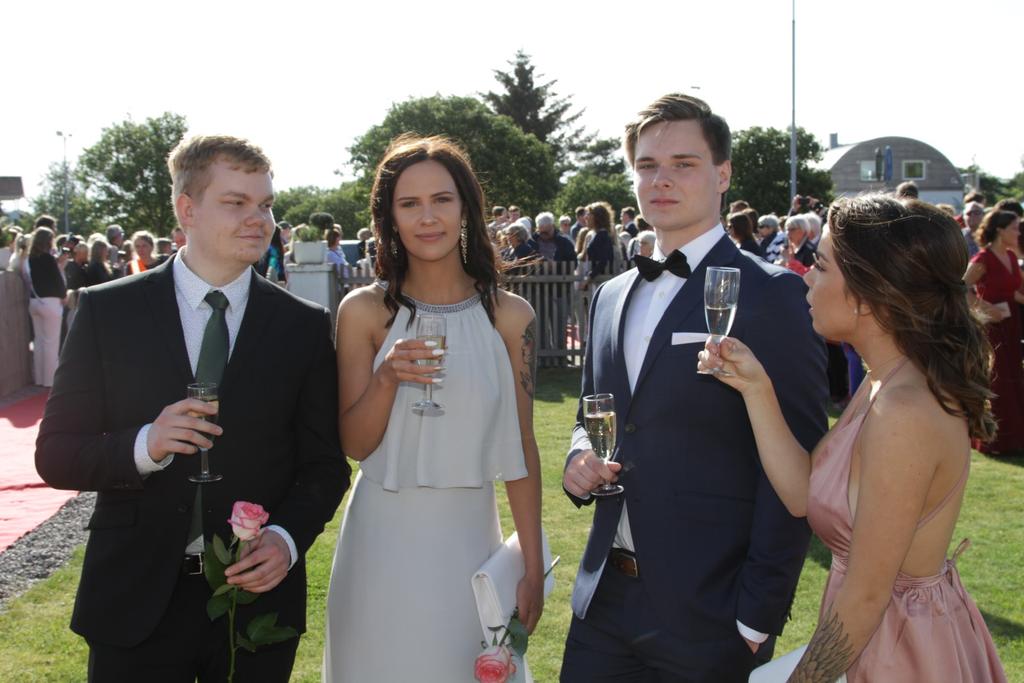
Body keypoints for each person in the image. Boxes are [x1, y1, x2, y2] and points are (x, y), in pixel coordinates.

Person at [34, 135, 349, 682]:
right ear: (187, 209)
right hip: (133, 601)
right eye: (236, 203)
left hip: (255, 605)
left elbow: (323, 466)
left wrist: (287, 539)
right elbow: (55, 455)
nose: (259, 219)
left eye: (266, 204)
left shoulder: (303, 325)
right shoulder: (110, 312)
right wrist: (144, 445)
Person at [560, 93, 827, 682]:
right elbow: (592, 410)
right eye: (648, 166)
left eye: (684, 163)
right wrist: (579, 453)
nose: (662, 179)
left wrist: (756, 615)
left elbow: (798, 463)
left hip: (711, 612)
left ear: (722, 173)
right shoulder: (610, 296)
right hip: (602, 601)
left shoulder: (773, 294)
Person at [700, 194, 1007, 682]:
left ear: (867, 294)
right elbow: (804, 492)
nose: (805, 278)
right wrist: (755, 387)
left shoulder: (902, 409)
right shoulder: (883, 379)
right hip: (876, 638)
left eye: (820, 266)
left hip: (899, 652)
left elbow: (867, 593)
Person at [322, 134, 544, 681]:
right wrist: (389, 377)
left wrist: (533, 568)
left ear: (466, 207)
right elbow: (355, 444)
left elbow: (522, 447)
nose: (427, 217)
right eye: (409, 203)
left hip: (470, 542)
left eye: (442, 200)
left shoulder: (511, 317)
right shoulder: (364, 311)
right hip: (380, 541)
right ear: (388, 217)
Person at [964, 209, 1024, 456]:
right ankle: (995, 440)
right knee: (998, 380)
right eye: (1014, 227)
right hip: (992, 327)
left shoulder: (1010, 256)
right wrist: (986, 308)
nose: (1019, 232)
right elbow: (962, 290)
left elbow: (1017, 292)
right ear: (1000, 230)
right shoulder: (982, 259)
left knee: (1014, 377)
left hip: (1012, 325)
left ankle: (1016, 437)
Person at [26, 225, 67, 387]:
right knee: (51, 342)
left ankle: (39, 379)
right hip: (50, 302)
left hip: (35, 302)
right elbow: (56, 279)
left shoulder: (31, 257)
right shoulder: (48, 258)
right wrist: (64, 295)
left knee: (39, 341)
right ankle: (50, 381)